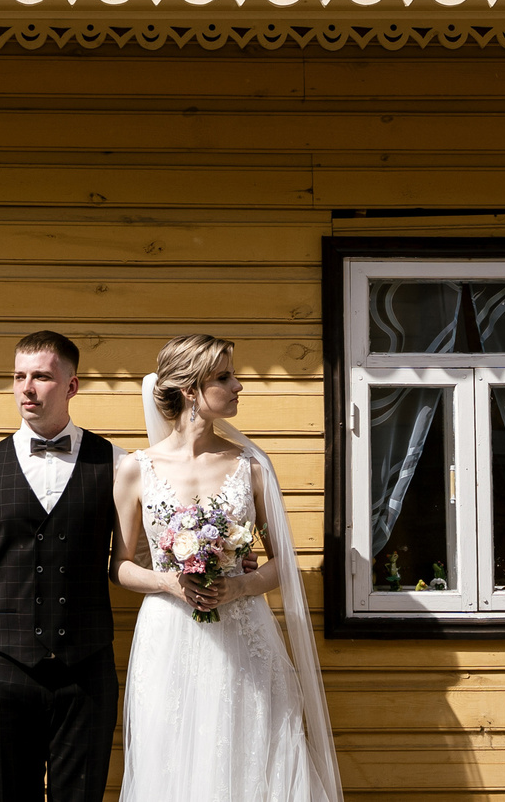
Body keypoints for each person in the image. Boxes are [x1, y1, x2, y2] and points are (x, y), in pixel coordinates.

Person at [113, 333, 343, 802]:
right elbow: (119, 566)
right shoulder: (136, 469)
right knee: (173, 759)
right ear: (190, 390)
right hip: (169, 637)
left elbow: (284, 563)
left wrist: (238, 588)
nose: (238, 386)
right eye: (225, 377)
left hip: (243, 636)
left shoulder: (251, 467)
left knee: (251, 753)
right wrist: (169, 581)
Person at [0, 329, 126, 802]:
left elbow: (140, 557)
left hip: (87, 673)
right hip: (3, 673)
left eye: (41, 376)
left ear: (72, 386)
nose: (26, 387)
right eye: (19, 376)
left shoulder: (119, 465)